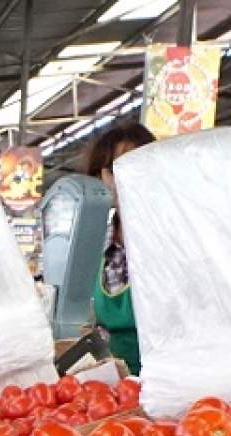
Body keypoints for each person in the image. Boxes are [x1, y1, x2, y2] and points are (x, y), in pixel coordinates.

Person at [85, 121, 155, 375]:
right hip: (114, 388)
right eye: (114, 170)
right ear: (101, 176)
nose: (125, 179)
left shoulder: (170, 243)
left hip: (168, 384)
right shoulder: (94, 246)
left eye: (136, 167)